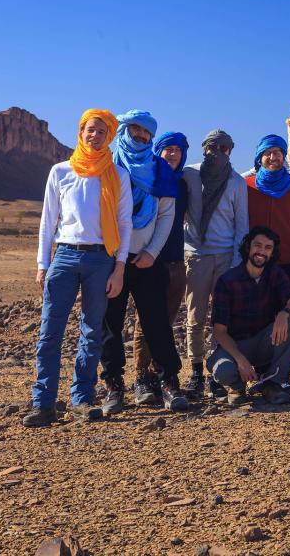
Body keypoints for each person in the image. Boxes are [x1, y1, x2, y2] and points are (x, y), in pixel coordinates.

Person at [23, 108, 132, 427]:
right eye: (90, 129)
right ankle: (43, 403)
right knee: (49, 332)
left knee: (92, 332)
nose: (95, 135)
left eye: (101, 131)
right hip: (65, 256)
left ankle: (81, 399)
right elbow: (48, 221)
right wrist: (42, 264)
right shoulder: (61, 171)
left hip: (102, 260)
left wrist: (119, 269)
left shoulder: (117, 174)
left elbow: (124, 224)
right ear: (81, 132)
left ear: (109, 136)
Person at [100, 110, 188, 414]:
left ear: (151, 137)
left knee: (157, 323)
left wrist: (152, 252)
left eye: (146, 132)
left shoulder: (159, 169)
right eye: (135, 129)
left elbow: (166, 214)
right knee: (110, 324)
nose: (140, 135)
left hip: (148, 260)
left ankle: (168, 382)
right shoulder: (109, 166)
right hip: (111, 259)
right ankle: (113, 385)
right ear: (125, 131)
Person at [182, 130, 249, 399]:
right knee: (195, 316)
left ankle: (217, 371)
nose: (218, 152)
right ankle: (196, 371)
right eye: (213, 147)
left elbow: (241, 225)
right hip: (196, 255)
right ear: (205, 149)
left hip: (225, 257)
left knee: (221, 319)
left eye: (224, 148)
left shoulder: (236, 182)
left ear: (230, 150)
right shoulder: (190, 174)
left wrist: (236, 263)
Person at [207, 227, 290, 406]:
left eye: (268, 247)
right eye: (257, 245)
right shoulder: (227, 280)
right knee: (223, 371)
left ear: (272, 253)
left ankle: (272, 383)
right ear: (248, 247)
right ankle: (237, 387)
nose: (261, 251)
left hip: (264, 342)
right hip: (235, 346)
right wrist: (240, 360)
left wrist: (284, 314)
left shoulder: (275, 274)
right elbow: (219, 331)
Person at [246, 134, 290, 389]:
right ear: (259, 157)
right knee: (258, 316)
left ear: (284, 157)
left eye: (278, 153)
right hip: (255, 266)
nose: (273, 157)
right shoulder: (247, 187)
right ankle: (262, 372)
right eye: (268, 153)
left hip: (287, 263)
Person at [130, 131, 189, 405]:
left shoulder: (184, 185)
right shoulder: (146, 177)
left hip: (175, 262)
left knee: (165, 322)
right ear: (158, 151)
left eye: (178, 150)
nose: (173, 154)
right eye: (168, 149)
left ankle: (160, 376)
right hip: (148, 261)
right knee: (145, 322)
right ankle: (141, 377)